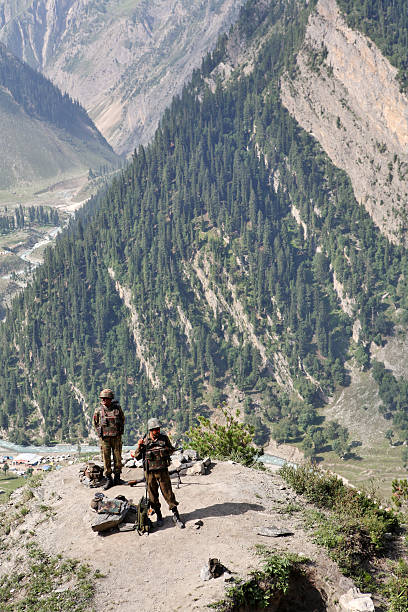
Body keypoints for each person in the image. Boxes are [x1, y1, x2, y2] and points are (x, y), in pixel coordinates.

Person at [134, 418, 184, 528]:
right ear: (150, 430)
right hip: (150, 473)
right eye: (155, 429)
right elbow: (137, 457)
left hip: (162, 471)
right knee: (152, 496)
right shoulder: (144, 441)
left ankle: (176, 515)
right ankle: (159, 515)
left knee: (168, 493)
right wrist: (139, 446)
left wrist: (165, 449)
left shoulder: (164, 439)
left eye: (158, 429)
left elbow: (171, 450)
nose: (157, 431)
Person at [93, 388, 125, 490]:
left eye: (105, 398)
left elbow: (122, 420)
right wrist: (100, 434)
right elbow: (95, 423)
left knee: (118, 458)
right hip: (105, 439)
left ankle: (117, 477)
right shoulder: (98, 411)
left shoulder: (117, 409)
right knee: (106, 459)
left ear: (110, 399)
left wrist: (119, 432)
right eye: (102, 398)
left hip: (116, 437)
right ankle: (108, 479)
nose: (103, 400)